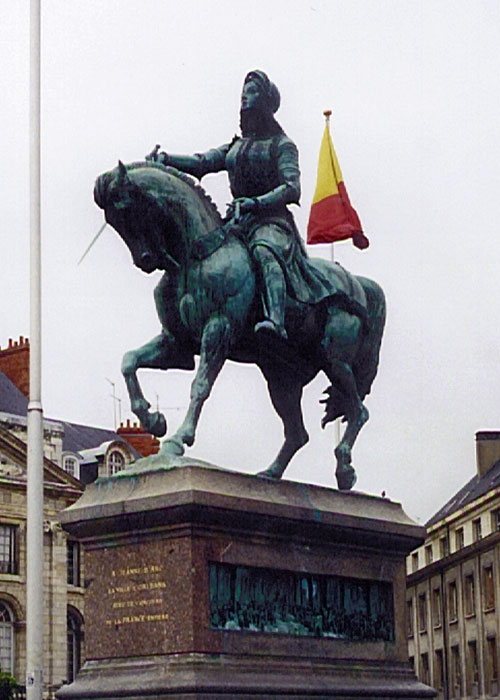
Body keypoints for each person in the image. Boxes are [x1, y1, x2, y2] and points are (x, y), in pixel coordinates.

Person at [147, 70, 334, 341]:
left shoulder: (282, 145)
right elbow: (202, 162)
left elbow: (291, 188)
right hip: (237, 222)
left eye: (254, 91)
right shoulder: (236, 146)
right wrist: (166, 159)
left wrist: (255, 203)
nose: (246, 96)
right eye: (244, 92)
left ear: (267, 102)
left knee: (264, 251)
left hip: (271, 222)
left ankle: (276, 320)